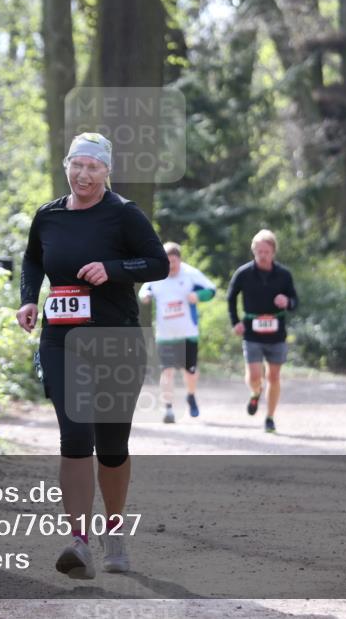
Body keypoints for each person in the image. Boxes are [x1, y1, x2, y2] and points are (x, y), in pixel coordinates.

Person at [16, 132, 168, 579]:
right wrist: (28, 299)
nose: (84, 174)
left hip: (116, 341)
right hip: (63, 341)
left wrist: (113, 270)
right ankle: (78, 541)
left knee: (113, 446)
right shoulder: (48, 215)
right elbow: (32, 260)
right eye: (77, 165)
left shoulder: (123, 215)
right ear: (67, 166)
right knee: (76, 435)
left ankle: (114, 530)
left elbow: (157, 263)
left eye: (93, 167)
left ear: (107, 172)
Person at [227, 229, 298, 433]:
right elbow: (231, 298)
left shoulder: (284, 275)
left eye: (266, 251)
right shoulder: (243, 273)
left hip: (277, 333)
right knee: (255, 376)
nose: (262, 255)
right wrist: (235, 322)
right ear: (253, 251)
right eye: (259, 251)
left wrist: (288, 302)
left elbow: (295, 301)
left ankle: (269, 418)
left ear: (273, 252)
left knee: (274, 377)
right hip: (251, 332)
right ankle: (255, 393)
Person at [138, 243, 216, 423]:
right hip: (165, 335)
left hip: (188, 333)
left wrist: (198, 296)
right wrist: (146, 297)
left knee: (189, 372)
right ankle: (168, 408)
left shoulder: (190, 274)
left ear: (180, 260)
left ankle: (191, 395)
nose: (172, 266)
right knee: (167, 372)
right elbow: (144, 291)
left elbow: (211, 290)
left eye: (174, 262)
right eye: (168, 262)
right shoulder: (157, 274)